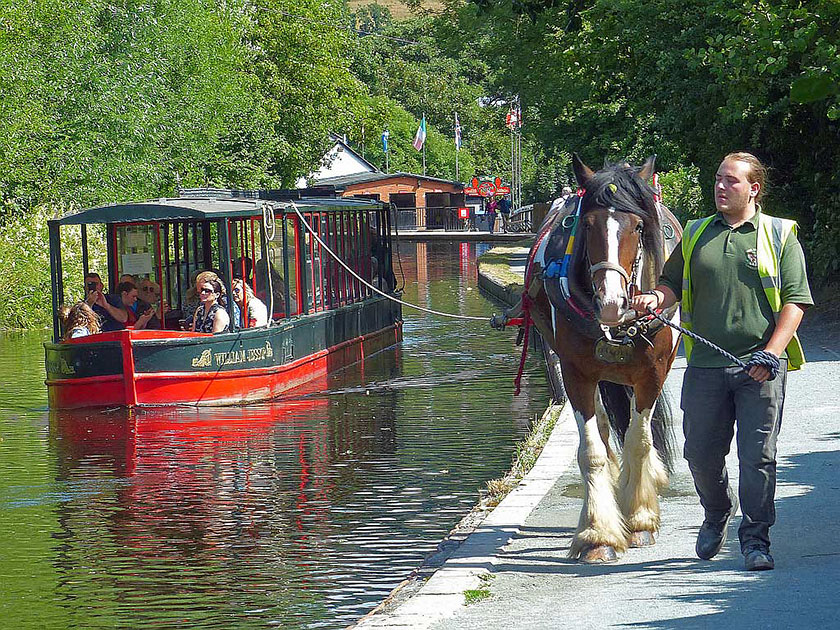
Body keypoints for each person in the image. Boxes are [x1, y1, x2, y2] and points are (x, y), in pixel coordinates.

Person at [630, 152, 812, 572]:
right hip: (705, 368)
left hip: (760, 368)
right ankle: (716, 513)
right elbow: (670, 284)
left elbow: (796, 301)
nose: (720, 187)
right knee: (699, 453)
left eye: (731, 181)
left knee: (758, 457)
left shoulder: (779, 234)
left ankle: (755, 540)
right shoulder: (695, 233)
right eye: (717, 179)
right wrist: (653, 300)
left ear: (754, 188)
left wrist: (773, 351)